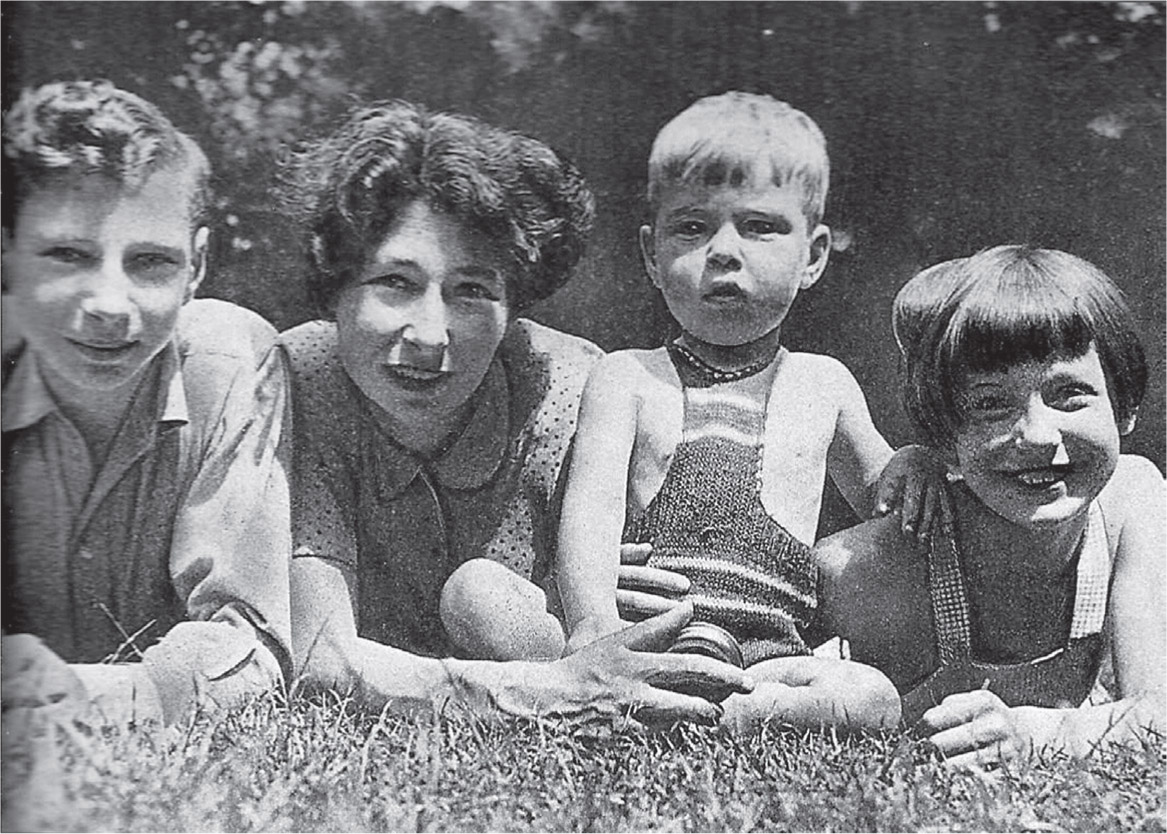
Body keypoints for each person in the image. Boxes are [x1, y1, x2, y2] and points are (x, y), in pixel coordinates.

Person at [280, 100, 751, 727]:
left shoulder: (580, 392)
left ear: (516, 306)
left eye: (472, 291)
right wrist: (546, 691)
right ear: (334, 286)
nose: (430, 334)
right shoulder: (299, 382)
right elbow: (320, 659)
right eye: (394, 281)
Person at [557, 91, 908, 733]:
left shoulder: (824, 384)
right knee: (479, 594)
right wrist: (593, 631)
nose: (723, 249)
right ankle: (614, 693)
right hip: (645, 641)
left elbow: (889, 506)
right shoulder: (627, 377)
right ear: (651, 256)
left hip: (766, 657)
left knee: (872, 696)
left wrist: (913, 466)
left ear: (814, 256)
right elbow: (590, 511)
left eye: (759, 226)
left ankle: (731, 717)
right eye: (691, 227)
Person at [1, 80, 292, 726]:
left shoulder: (232, 363)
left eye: (151, 263)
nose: (108, 304)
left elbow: (251, 647)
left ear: (198, 266)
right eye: (68, 255)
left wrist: (86, 695)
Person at [815, 245, 1165, 766]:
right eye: (990, 405)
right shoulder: (863, 568)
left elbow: (1158, 715)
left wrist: (1040, 734)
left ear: (1126, 405)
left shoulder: (1132, 501)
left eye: (1070, 395)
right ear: (945, 434)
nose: (1038, 435)